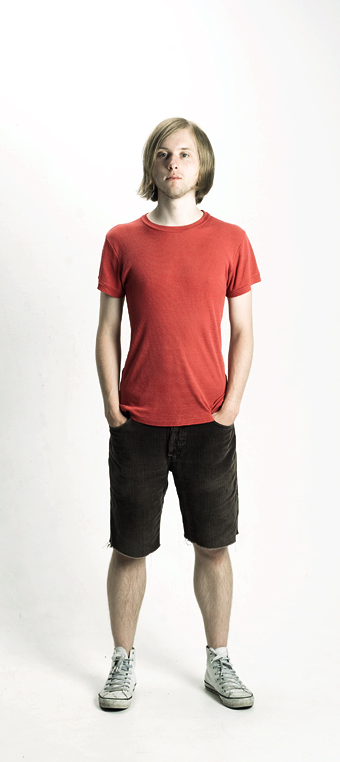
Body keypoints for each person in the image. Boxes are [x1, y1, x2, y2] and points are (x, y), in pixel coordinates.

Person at [95, 117, 261, 711]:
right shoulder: (122, 240)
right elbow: (107, 330)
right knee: (129, 549)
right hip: (138, 424)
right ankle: (122, 662)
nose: (174, 163)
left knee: (214, 546)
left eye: (185, 154)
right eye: (164, 154)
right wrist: (113, 407)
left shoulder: (231, 240)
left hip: (207, 424)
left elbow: (242, 331)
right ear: (152, 165)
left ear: (202, 165)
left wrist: (230, 405)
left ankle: (219, 660)